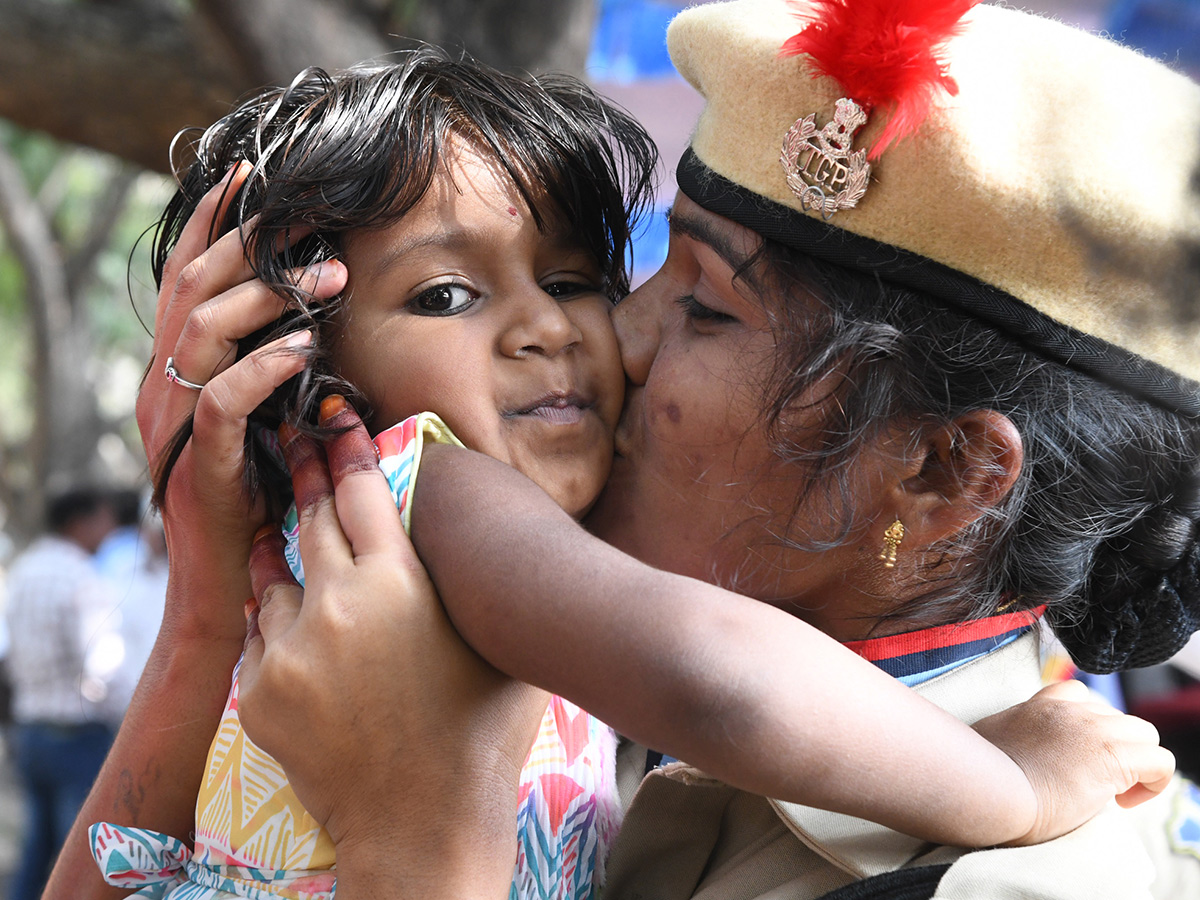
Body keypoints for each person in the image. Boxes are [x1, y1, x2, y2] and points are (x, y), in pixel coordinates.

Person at [48, 45, 1169, 900]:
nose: (610, 335)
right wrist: (202, 613)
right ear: (306, 357)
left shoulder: (1017, 877)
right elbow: (711, 676)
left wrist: (422, 836)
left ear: (939, 470)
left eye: (702, 306)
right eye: (446, 295)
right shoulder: (454, 517)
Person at [5, 486, 121, 900]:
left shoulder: (24, 570)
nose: (109, 529)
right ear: (80, 522)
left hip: (30, 728)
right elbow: (101, 662)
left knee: (38, 844)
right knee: (84, 856)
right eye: (104, 519)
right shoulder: (79, 576)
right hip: (75, 733)